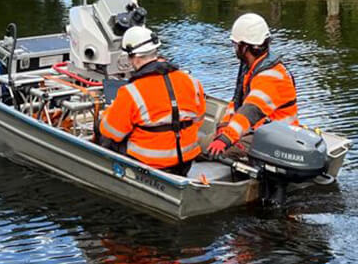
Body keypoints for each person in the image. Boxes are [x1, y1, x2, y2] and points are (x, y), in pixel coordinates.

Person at [97, 26, 206, 176]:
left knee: (103, 132)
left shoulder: (131, 92)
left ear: (134, 57)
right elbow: (199, 119)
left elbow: (111, 132)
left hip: (150, 163)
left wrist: (107, 114)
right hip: (185, 161)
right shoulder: (191, 82)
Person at [205, 13, 298, 159]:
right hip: (259, 131)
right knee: (207, 143)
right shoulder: (252, 67)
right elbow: (237, 103)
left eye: (235, 45)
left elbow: (250, 111)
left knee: (209, 152)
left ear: (244, 47)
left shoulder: (269, 77)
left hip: (275, 139)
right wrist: (223, 126)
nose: (234, 49)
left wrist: (225, 139)